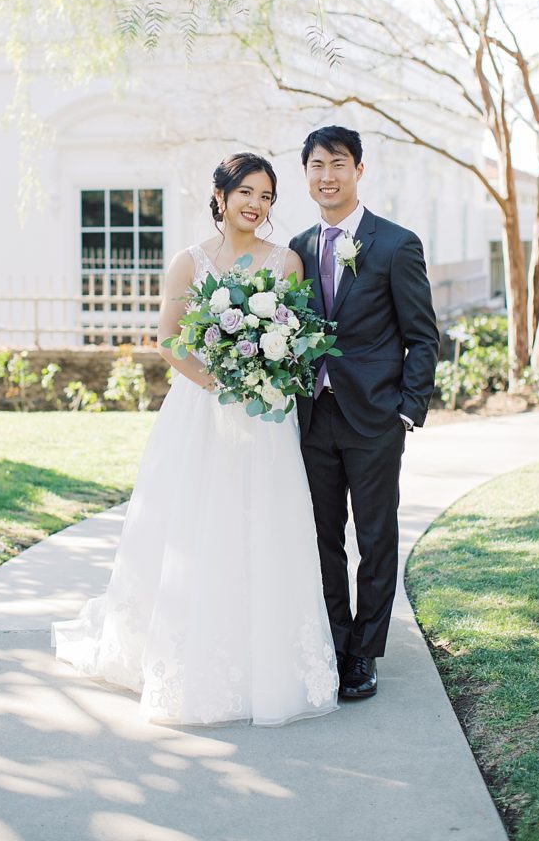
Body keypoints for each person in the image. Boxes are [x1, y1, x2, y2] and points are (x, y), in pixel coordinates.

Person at [52, 153, 339, 727]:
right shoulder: (189, 262)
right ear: (221, 195)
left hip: (264, 416)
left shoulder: (286, 264)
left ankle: (268, 661)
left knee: (263, 525)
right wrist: (218, 381)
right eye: (246, 193)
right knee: (196, 523)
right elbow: (167, 342)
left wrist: (262, 376)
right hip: (200, 411)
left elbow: (298, 336)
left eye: (266, 196)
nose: (256, 205)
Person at [289, 126, 439, 700]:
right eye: (317, 166)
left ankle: (364, 654)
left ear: (358, 170)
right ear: (305, 175)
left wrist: (407, 410)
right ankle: (334, 640)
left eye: (339, 164)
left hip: (375, 418)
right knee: (322, 538)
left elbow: (423, 336)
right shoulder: (296, 250)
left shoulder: (394, 244)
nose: (327, 176)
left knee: (375, 538)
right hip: (311, 418)